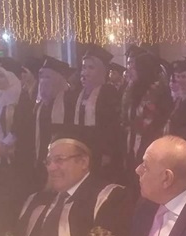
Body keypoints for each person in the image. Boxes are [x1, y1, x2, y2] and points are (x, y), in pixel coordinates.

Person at [10, 128, 130, 236]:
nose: (51, 168)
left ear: (83, 162)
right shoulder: (37, 200)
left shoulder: (110, 197)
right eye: (48, 161)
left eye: (59, 160)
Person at [73, 44, 123, 178]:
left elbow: (112, 126)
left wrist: (107, 152)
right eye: (84, 67)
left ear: (101, 70)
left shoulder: (108, 92)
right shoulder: (79, 93)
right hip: (82, 146)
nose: (85, 72)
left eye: (91, 68)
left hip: (100, 150)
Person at [122, 52, 172, 173]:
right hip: (132, 143)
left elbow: (159, 122)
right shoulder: (133, 89)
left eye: (135, 68)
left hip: (150, 144)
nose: (130, 71)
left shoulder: (160, 93)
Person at [28, 56, 74, 175]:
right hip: (41, 156)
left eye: (47, 77)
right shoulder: (40, 105)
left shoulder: (69, 101)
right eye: (41, 77)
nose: (43, 81)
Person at [0, 57, 32, 170]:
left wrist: (6, 143)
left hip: (16, 151)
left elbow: (22, 125)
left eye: (1, 76)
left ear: (11, 77)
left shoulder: (22, 98)